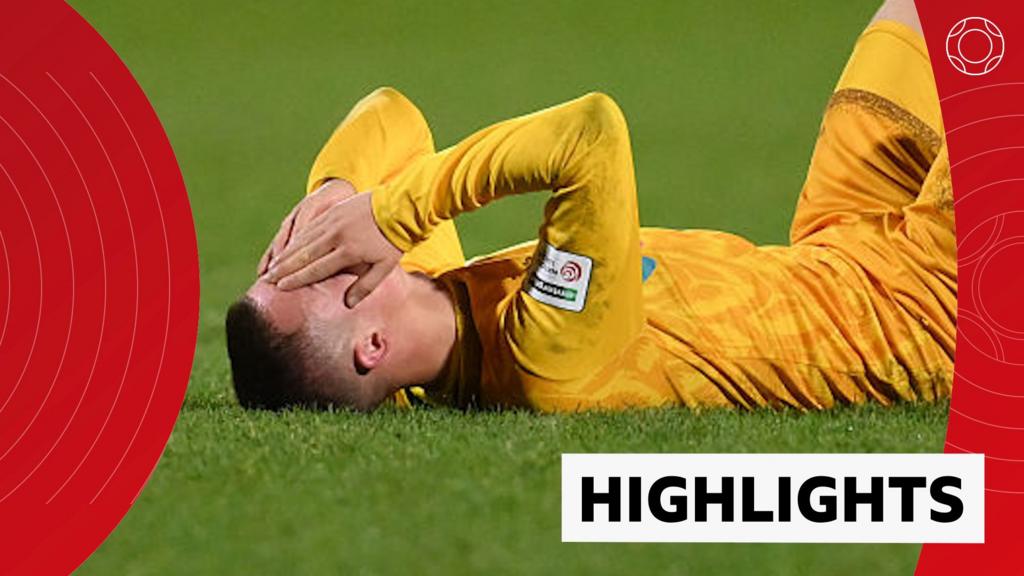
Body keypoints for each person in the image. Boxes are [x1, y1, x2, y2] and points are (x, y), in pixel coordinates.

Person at [226, 0, 954, 413]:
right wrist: (391, 213)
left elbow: (393, 115)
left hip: (840, 249)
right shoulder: (548, 360)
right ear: (372, 348)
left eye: (287, 254)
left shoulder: (432, 302)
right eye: (313, 272)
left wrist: (333, 192)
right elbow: (590, 135)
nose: (319, 248)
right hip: (935, 312)